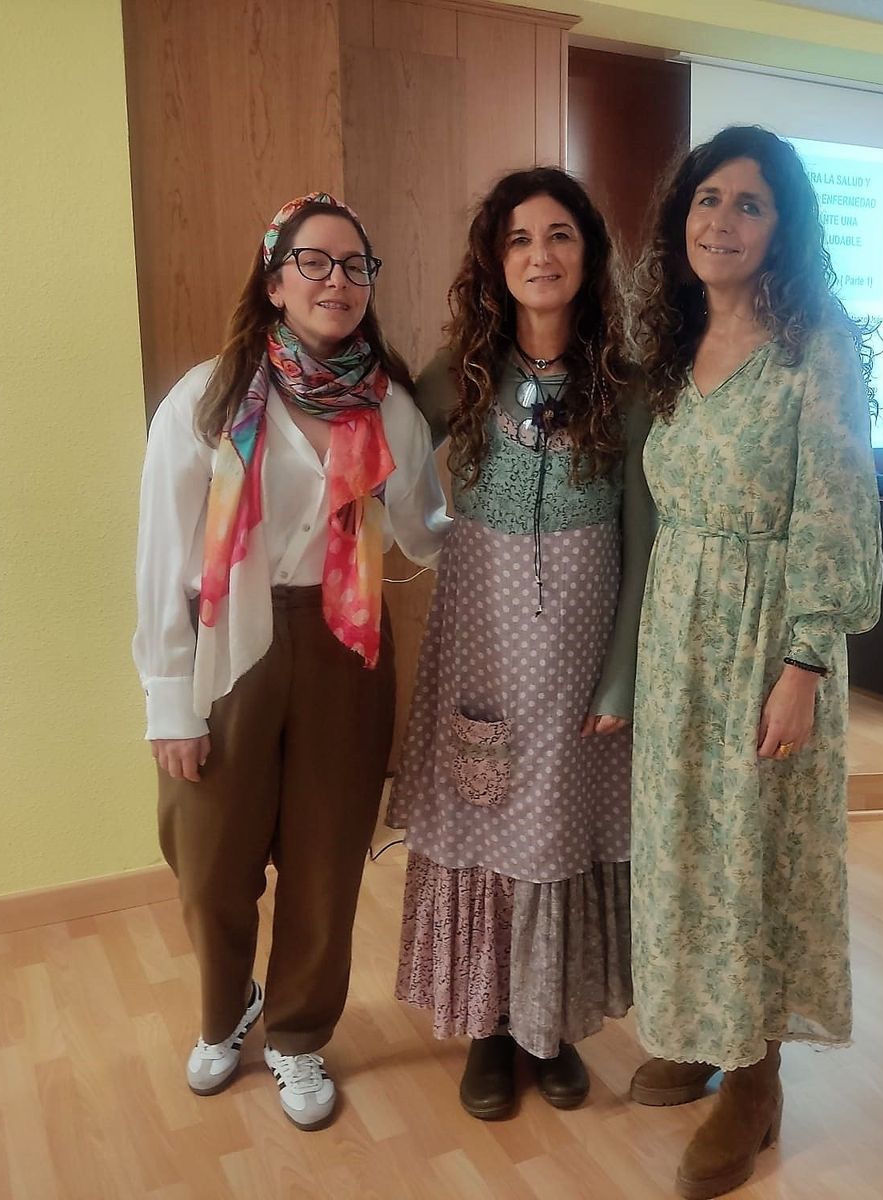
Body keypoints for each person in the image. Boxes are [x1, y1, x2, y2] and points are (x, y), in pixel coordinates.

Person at [133, 193, 449, 1131]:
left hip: (346, 643)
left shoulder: (389, 406)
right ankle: (227, 1011)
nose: (337, 281)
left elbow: (422, 531)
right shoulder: (207, 399)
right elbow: (161, 552)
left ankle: (301, 1037)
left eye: (355, 265)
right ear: (274, 282)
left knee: (324, 861)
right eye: (314, 262)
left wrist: (498, 500)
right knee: (210, 856)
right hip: (226, 641)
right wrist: (167, 699)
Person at [626, 127, 883, 1198]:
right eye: (706, 200)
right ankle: (696, 1024)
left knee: (754, 856)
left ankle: (755, 1077)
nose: (720, 222)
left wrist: (804, 664)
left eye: (748, 205)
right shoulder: (671, 343)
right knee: (685, 843)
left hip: (765, 633)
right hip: (676, 631)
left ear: (784, 229)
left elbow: (837, 506)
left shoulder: (813, 344)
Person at [387, 167, 649, 1120]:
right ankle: (491, 1035)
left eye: (561, 236)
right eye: (520, 241)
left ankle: (557, 1027)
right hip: (482, 652)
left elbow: (643, 539)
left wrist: (621, 677)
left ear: (589, 254)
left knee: (561, 837)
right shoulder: (465, 369)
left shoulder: (627, 382)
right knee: (488, 824)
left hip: (582, 661)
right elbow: (389, 436)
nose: (541, 256)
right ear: (496, 264)